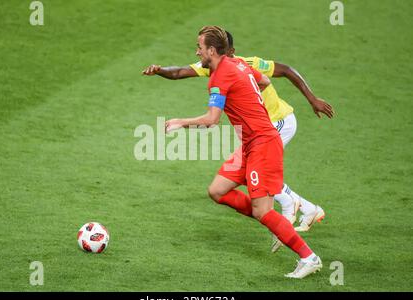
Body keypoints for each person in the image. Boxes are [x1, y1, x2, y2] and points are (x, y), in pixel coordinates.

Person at [142, 32, 334, 249]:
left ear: (228, 51)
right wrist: (159, 71)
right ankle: (305, 210)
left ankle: (290, 209)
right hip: (255, 134)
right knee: (224, 186)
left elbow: (286, 70)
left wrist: (312, 99)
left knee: (263, 173)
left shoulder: (246, 64)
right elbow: (178, 72)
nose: (198, 52)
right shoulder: (214, 67)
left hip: (277, 122)